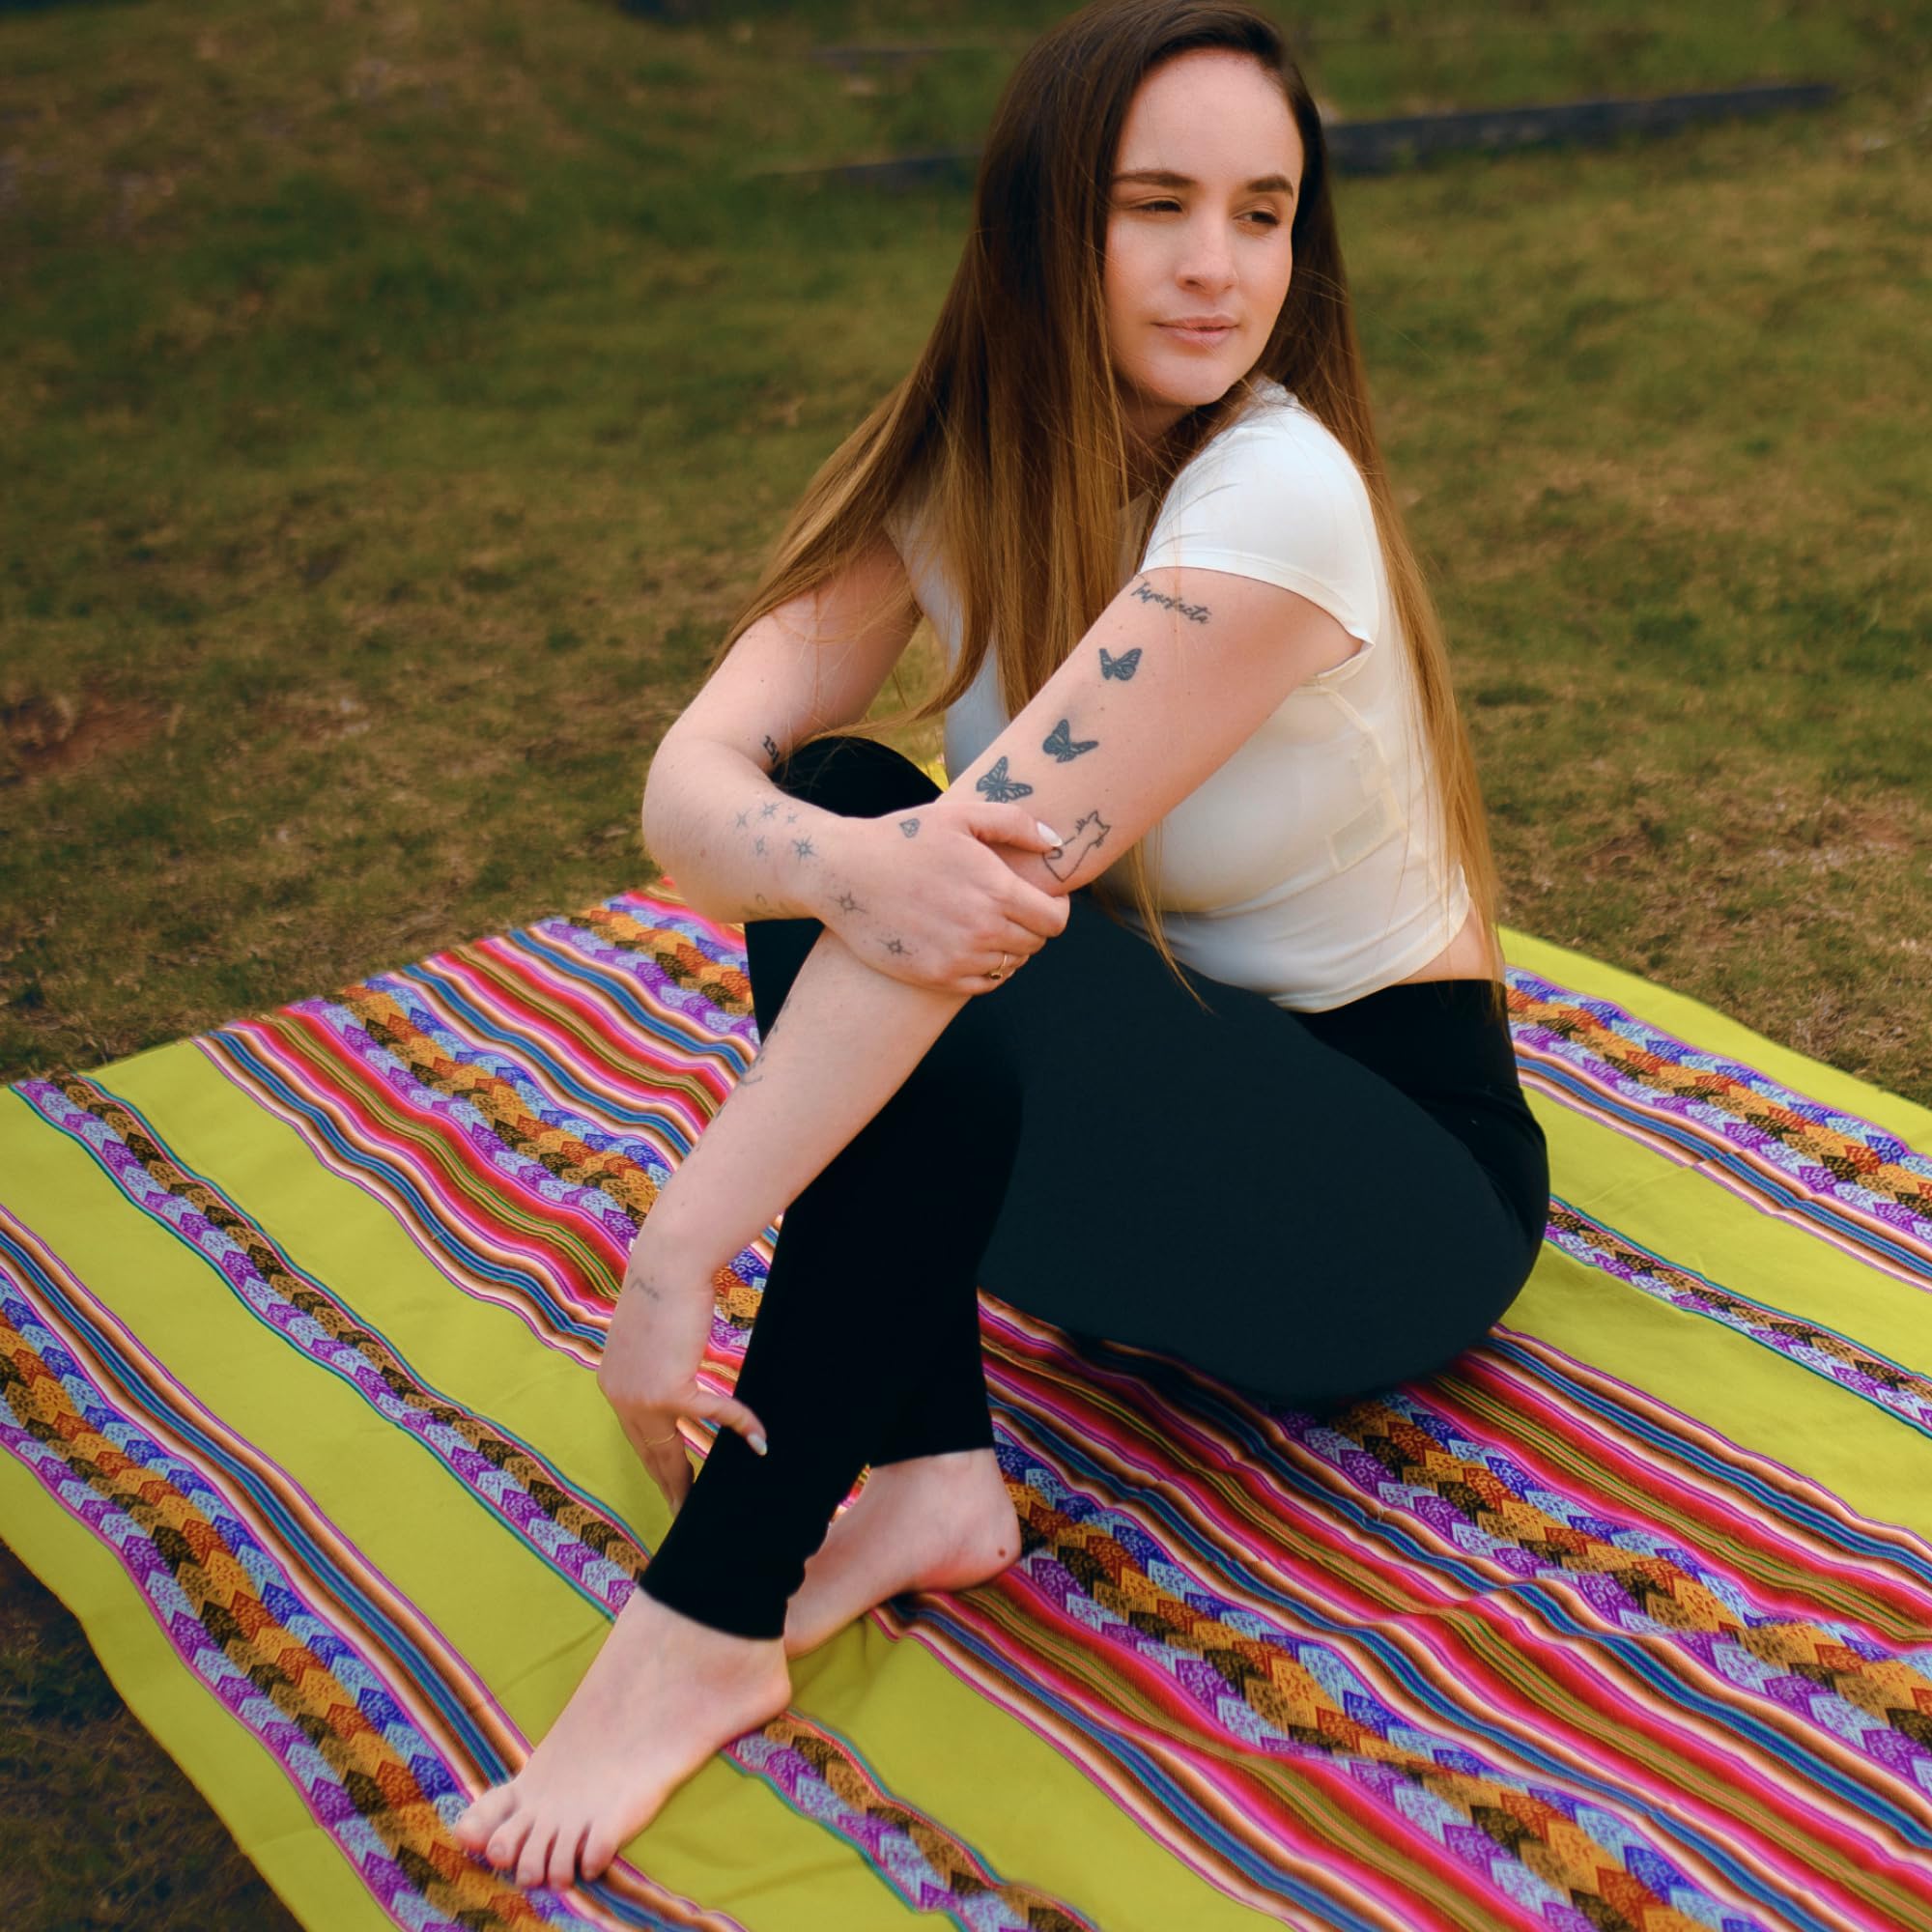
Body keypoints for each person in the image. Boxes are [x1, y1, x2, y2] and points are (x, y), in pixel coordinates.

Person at [454, 0, 1548, 1894]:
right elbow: (692, 789)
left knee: (946, 889)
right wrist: (825, 847)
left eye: (1265, 210)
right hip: (1148, 1172)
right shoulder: (970, 448)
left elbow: (952, 923)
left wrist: (677, 1249)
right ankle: (939, 1472)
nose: (1220, 266)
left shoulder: (1274, 495)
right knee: (867, 813)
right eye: (1156, 205)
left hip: (1389, 1218)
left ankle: (711, 1609)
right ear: (1050, 221)